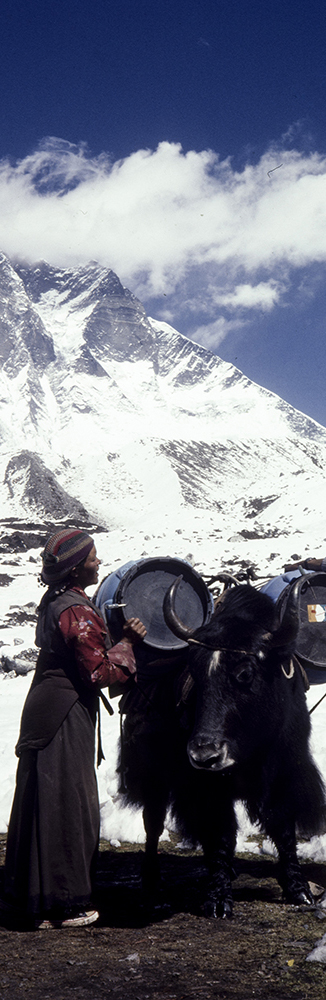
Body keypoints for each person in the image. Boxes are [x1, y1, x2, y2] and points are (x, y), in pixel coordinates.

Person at [2, 529, 146, 930]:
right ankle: (64, 903)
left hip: (46, 707)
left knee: (43, 801)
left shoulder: (57, 601)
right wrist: (128, 643)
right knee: (66, 803)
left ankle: (30, 899)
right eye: (93, 558)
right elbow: (99, 673)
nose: (99, 563)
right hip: (64, 714)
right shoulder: (77, 611)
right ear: (76, 567)